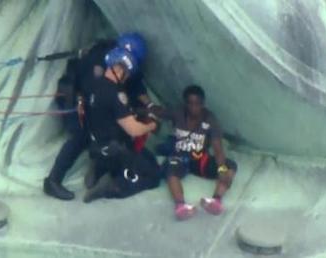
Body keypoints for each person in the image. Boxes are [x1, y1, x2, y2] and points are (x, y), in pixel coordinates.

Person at [44, 33, 162, 200]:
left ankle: (101, 166)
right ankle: (53, 180)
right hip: (76, 96)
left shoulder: (116, 65)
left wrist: (148, 105)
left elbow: (136, 85)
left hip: (98, 103)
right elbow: (131, 127)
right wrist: (150, 124)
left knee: (106, 133)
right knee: (80, 136)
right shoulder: (98, 59)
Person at [83, 47, 162, 203]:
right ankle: (113, 187)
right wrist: (152, 126)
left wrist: (135, 113)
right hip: (117, 150)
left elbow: (110, 114)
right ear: (120, 70)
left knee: (148, 158)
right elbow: (133, 130)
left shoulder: (96, 85)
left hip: (97, 145)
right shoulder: (115, 94)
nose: (126, 78)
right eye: (127, 74)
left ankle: (99, 168)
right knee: (154, 175)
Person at [161, 85, 237, 220]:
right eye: (190, 104)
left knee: (230, 166)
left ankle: (216, 200)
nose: (194, 108)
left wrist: (221, 168)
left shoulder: (210, 119)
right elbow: (158, 112)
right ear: (185, 104)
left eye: (198, 104)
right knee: (170, 169)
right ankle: (180, 206)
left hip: (200, 160)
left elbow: (217, 148)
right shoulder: (177, 112)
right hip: (179, 157)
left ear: (203, 103)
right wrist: (144, 109)